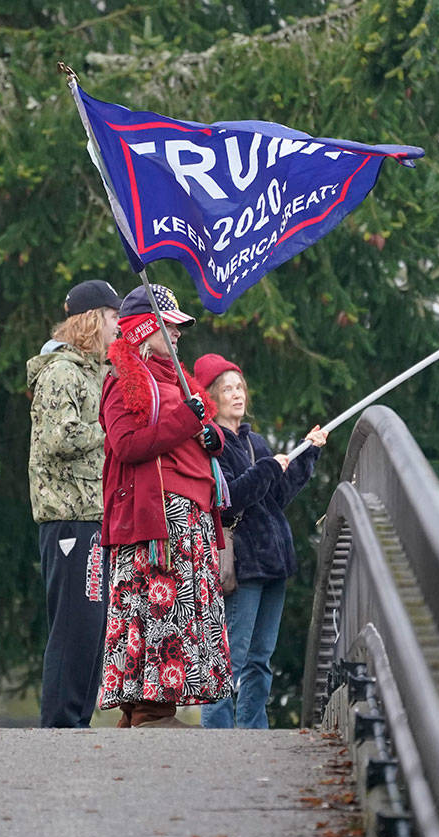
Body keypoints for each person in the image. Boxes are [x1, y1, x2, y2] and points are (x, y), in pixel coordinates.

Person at [97, 284, 231, 728]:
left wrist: (214, 436)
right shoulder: (123, 379)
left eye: (179, 329)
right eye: (169, 327)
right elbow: (127, 443)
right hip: (157, 516)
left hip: (186, 512)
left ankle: (142, 711)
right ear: (144, 328)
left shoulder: (175, 382)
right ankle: (151, 709)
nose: (178, 336)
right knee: (156, 606)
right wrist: (188, 420)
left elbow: (192, 427)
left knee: (169, 607)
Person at [193, 354, 327, 729]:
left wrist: (306, 454)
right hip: (242, 563)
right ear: (211, 398)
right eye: (227, 389)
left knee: (260, 658)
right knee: (231, 656)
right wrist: (267, 468)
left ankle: (254, 732)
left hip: (273, 562)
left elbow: (275, 496)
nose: (237, 395)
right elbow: (228, 499)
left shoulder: (255, 441)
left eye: (240, 387)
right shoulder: (211, 443)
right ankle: (217, 732)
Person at [27, 279, 122, 728]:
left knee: (93, 627)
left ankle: (76, 721)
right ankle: (60, 725)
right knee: (72, 626)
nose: (118, 327)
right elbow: (57, 437)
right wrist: (115, 437)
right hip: (67, 517)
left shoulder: (96, 372)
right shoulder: (61, 373)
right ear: (92, 319)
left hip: (95, 516)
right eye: (113, 317)